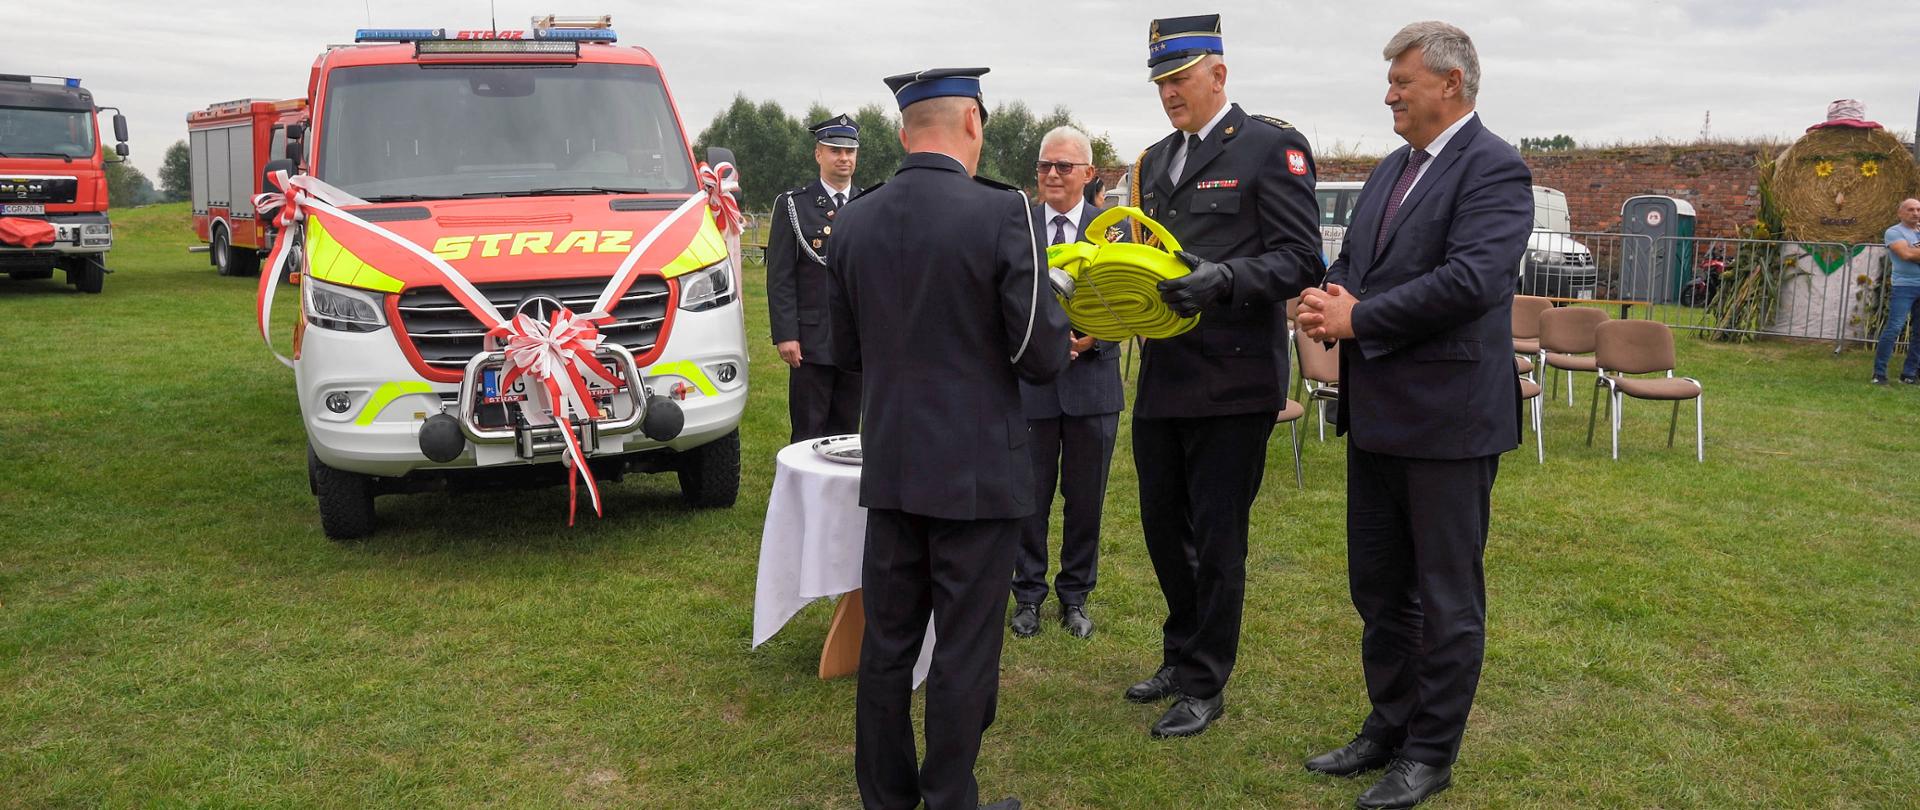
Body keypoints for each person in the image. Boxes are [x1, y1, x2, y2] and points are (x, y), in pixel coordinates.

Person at [1295, 21, 1533, 809]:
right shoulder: (1393, 169)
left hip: (1451, 422)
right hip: (1381, 417)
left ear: (1450, 84)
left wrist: (1359, 320)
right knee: (1380, 587)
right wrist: (1326, 294)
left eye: (1402, 80)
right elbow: (1354, 260)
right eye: (1391, 81)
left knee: (1445, 597)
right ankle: (1387, 727)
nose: (1390, 93)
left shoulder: (1495, 169)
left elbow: (1471, 280)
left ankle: (1431, 752)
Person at [829, 67, 1069, 810]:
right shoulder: (1006, 214)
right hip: (976, 474)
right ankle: (950, 798)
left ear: (904, 133)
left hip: (895, 464)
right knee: (965, 651)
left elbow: (846, 348)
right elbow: (1040, 353)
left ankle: (888, 799)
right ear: (973, 123)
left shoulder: (855, 220)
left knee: (888, 648)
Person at [1118, 13, 1324, 741]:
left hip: (1234, 381)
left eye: (1180, 78)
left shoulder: (1271, 147)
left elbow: (1304, 261)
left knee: (1218, 534)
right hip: (1165, 373)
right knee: (1161, 527)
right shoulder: (1152, 161)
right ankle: (1180, 654)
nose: (1170, 93)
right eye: (1161, 82)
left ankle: (1207, 682)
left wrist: (1226, 277)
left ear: (1218, 74)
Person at [1010, 125, 1126, 641]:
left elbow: (1128, 300)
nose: (1052, 174)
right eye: (1044, 166)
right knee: (1028, 498)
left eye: (1064, 166)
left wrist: (1093, 338)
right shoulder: (1018, 225)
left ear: (1089, 173)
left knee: (1086, 501)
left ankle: (1075, 596)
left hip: (1093, 383)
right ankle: (1027, 595)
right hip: (1030, 387)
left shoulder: (1114, 230)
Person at [767, 114, 864, 442]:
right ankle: (804, 495)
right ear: (818, 154)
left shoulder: (869, 204)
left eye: (850, 151)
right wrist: (785, 334)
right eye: (835, 150)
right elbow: (780, 276)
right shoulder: (794, 205)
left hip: (858, 342)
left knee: (849, 435)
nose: (844, 158)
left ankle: (842, 495)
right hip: (810, 341)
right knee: (808, 433)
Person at [1871, 197, 1920, 385]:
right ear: (1900, 213)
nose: (1915, 213)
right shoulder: (1894, 232)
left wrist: (1913, 253)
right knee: (1894, 329)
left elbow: (1911, 253)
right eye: (1910, 209)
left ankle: (1910, 373)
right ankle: (1879, 373)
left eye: (1918, 209)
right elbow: (1905, 254)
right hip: (1904, 287)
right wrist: (1911, 253)